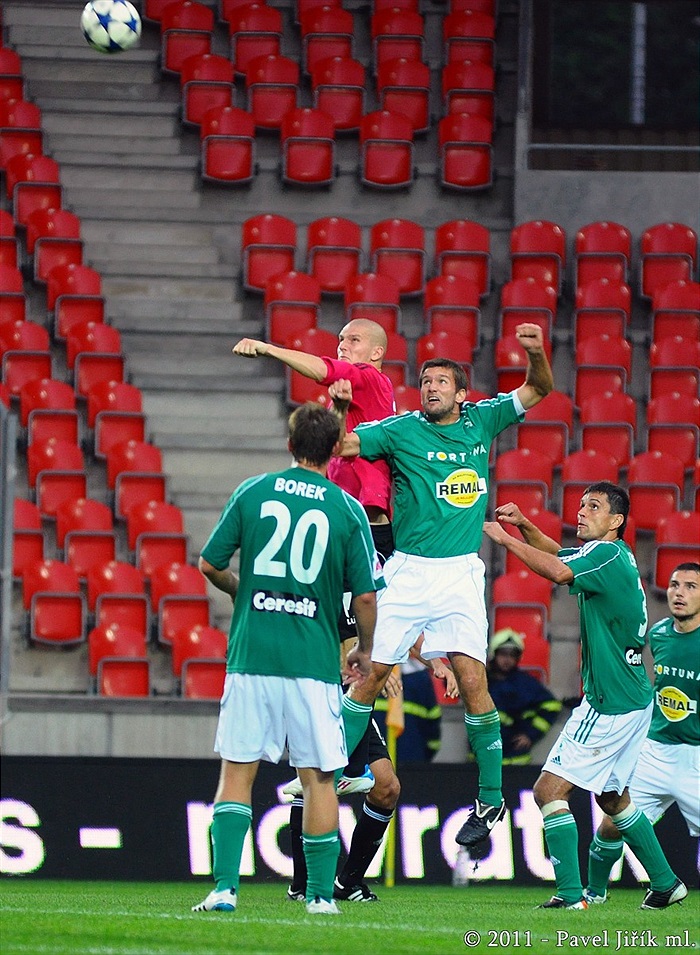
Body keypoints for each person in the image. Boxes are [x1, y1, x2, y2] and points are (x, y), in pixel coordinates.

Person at [336, 322, 554, 849]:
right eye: (425, 380)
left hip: (460, 572)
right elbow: (343, 445)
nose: (430, 387)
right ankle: (327, 769)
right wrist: (343, 406)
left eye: (441, 382)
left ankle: (490, 798)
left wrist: (535, 352)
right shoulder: (400, 429)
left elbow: (539, 388)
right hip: (407, 571)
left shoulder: (483, 420)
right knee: (369, 676)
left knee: (473, 682)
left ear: (461, 394)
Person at [192, 403, 384, 916]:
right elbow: (366, 597)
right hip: (312, 662)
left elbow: (210, 564)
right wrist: (364, 650)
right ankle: (321, 898)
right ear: (334, 448)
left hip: (252, 654)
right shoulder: (347, 509)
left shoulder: (253, 491)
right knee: (319, 776)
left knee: (237, 773)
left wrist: (242, 590)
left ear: (289, 443)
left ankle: (225, 889)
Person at [233, 320, 401, 902]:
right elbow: (328, 413)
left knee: (385, 787)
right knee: (335, 745)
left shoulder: (375, 384)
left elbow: (327, 373)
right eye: (341, 342)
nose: (342, 349)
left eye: (353, 342)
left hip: (372, 533)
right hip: (348, 539)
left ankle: (347, 881)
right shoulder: (345, 424)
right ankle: (310, 879)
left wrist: (268, 347)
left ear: (377, 354)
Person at [483, 484, 688, 910]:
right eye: (579, 505)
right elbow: (559, 555)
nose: (581, 512)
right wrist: (524, 526)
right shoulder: (611, 555)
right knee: (613, 799)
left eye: (593, 507)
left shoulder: (605, 555)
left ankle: (572, 896)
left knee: (548, 791)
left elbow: (557, 572)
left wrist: (504, 539)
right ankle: (667, 883)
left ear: (616, 521)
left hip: (609, 703)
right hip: (631, 698)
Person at [585, 561, 700, 904]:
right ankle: (593, 894)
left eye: (691, 587)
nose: (679, 593)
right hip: (656, 749)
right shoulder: (660, 633)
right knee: (611, 822)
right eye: (675, 585)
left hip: (696, 758)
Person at [485, 628, 562, 764]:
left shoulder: (525, 683)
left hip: (515, 761)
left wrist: (531, 734)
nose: (507, 660)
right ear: (494, 654)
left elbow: (552, 705)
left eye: (512, 655)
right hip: (483, 759)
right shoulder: (482, 680)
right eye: (503, 654)